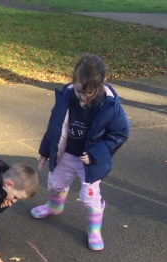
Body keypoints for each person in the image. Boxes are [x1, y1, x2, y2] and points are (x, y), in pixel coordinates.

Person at [30, 53, 130, 251]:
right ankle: (54, 206)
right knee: (55, 182)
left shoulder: (110, 105)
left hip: (90, 161)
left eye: (89, 93)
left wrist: (96, 153)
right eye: (79, 91)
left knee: (89, 196)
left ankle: (94, 230)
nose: (83, 97)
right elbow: (54, 126)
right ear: (73, 80)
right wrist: (45, 150)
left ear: (100, 84)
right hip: (66, 154)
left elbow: (119, 133)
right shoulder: (66, 97)